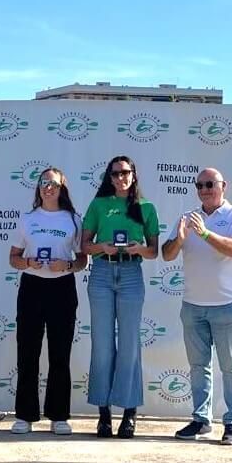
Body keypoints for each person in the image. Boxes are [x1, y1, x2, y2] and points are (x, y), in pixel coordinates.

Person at [162, 168, 232, 446]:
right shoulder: (187, 219)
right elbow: (166, 254)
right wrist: (179, 237)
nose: (204, 189)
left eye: (210, 184)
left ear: (223, 186)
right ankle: (201, 420)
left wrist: (204, 233)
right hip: (193, 305)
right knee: (198, 366)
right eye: (200, 185)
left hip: (227, 304)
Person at [81, 155, 159, 439]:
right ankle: (103, 415)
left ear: (134, 175)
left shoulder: (146, 207)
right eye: (114, 174)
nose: (120, 178)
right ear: (109, 177)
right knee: (102, 346)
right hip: (102, 273)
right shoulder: (98, 204)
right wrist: (103, 245)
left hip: (131, 275)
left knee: (130, 345)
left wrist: (137, 248)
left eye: (125, 173)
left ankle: (129, 413)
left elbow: (154, 251)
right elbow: (85, 246)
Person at [8, 167, 87, 435]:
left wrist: (65, 265)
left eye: (52, 183)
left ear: (62, 188)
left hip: (62, 288)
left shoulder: (73, 219)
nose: (47, 187)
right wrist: (28, 262)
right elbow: (13, 257)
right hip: (32, 286)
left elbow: (82, 260)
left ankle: (59, 415)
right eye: (43, 183)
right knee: (27, 352)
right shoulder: (27, 218)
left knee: (60, 353)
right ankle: (24, 415)